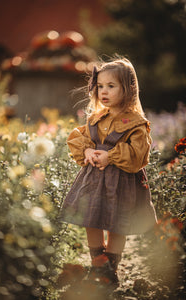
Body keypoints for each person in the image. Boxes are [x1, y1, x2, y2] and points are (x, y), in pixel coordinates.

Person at [61, 57, 157, 284]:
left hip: (121, 180)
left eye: (111, 86)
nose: (103, 92)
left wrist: (110, 156)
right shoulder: (96, 117)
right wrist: (86, 151)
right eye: (100, 86)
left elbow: (139, 154)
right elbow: (79, 138)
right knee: (91, 219)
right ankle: (97, 262)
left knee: (117, 223)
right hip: (93, 179)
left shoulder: (135, 122)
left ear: (129, 89)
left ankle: (110, 268)